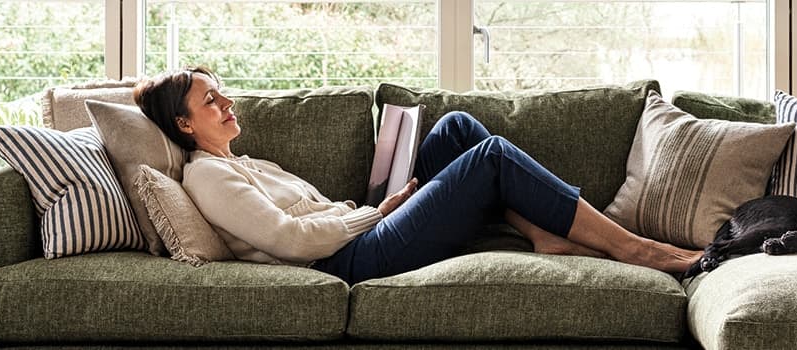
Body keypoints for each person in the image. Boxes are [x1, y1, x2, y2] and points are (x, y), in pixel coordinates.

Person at [133, 67, 699, 284]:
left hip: (357, 230)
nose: (229, 102)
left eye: (222, 92)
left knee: (454, 129)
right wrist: (378, 212)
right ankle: (641, 251)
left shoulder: (243, 162)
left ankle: (543, 234)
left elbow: (315, 211)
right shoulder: (207, 179)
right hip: (347, 260)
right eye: (213, 101)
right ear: (184, 124)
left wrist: (385, 199)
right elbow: (288, 239)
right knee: (492, 156)